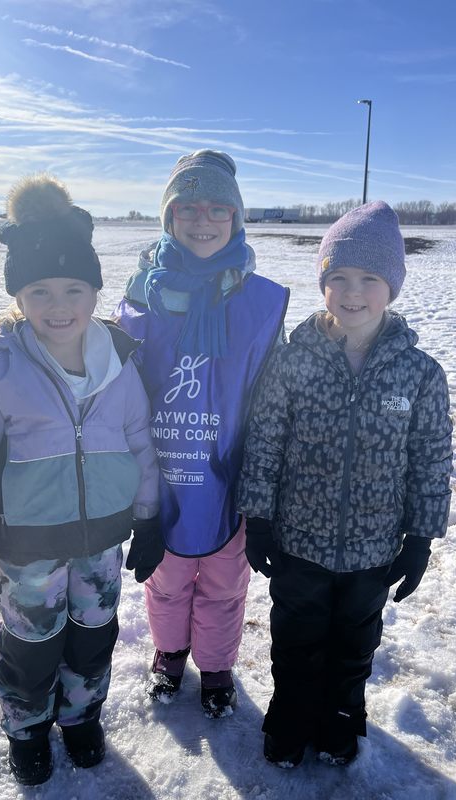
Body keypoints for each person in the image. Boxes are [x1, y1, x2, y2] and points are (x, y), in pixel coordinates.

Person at [0, 175, 162, 786]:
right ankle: (28, 725)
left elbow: (139, 439)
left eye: (73, 289)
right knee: (32, 642)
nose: (58, 305)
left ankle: (81, 716)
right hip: (30, 544)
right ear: (19, 296)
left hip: (102, 539)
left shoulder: (119, 359)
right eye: (40, 291)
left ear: (94, 292)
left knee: (94, 632)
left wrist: (148, 516)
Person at [237, 200, 452, 767]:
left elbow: (431, 456)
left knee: (355, 643)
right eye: (338, 278)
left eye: (369, 279)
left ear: (393, 286)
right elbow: (265, 440)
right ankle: (290, 714)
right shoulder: (292, 362)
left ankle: (339, 715)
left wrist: (420, 538)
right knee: (296, 638)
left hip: (373, 549)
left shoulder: (420, 373)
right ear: (323, 283)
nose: (352, 292)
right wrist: (257, 520)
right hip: (298, 543)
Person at [116, 150, 289, 718]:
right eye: (187, 207)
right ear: (168, 218)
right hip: (162, 476)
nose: (203, 219)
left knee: (222, 584)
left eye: (218, 207)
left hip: (230, 480)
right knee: (165, 582)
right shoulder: (140, 296)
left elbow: (271, 397)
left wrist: (265, 492)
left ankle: (216, 664)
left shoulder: (261, 302)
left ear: (237, 219)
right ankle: (168, 654)